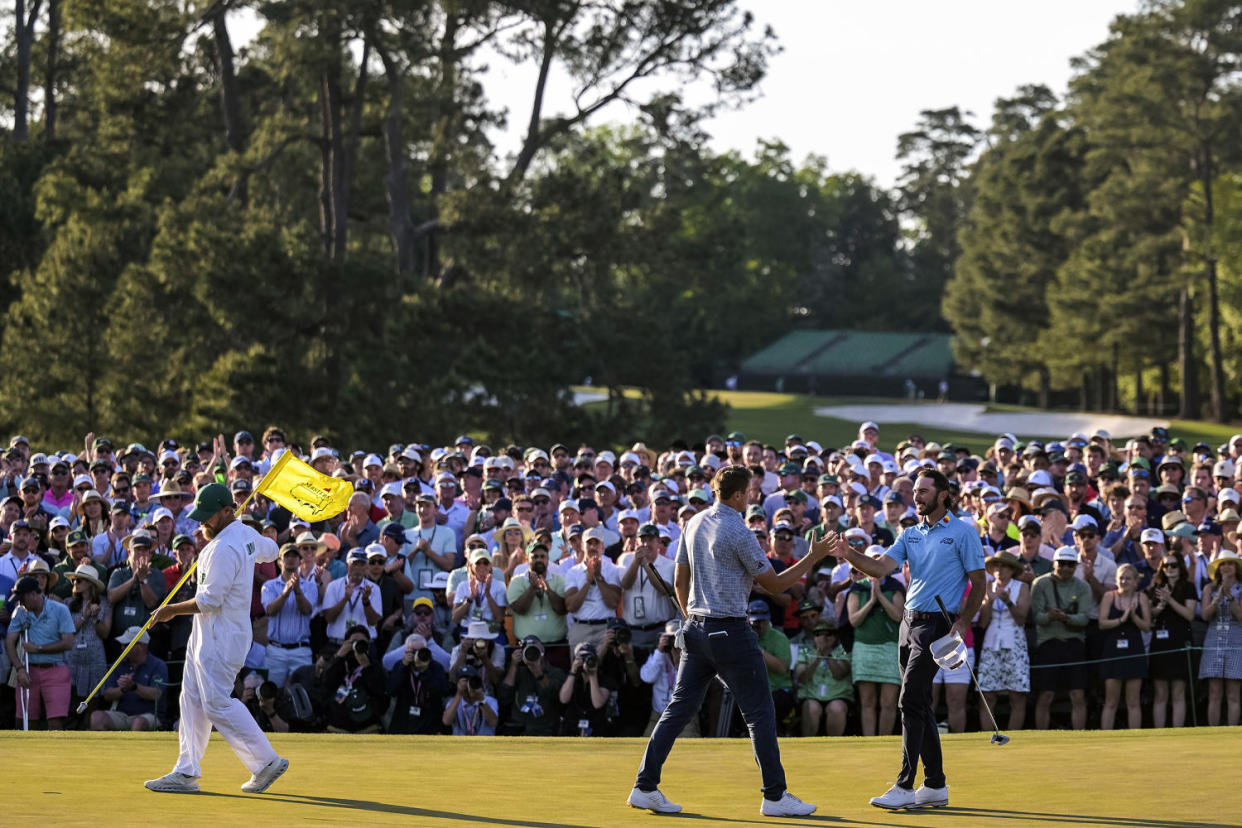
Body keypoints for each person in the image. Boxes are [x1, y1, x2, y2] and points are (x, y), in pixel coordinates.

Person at [629, 465, 840, 817]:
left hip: (695, 630)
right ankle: (774, 795)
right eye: (750, 492)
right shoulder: (739, 531)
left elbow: (681, 580)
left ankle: (645, 786)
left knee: (678, 710)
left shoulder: (692, 523)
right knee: (760, 713)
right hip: (731, 632)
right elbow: (775, 585)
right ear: (739, 495)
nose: (754, 496)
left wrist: (691, 618)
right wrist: (814, 556)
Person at [834, 468, 985, 812]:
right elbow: (880, 568)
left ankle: (905, 785)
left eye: (924, 491)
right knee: (919, 703)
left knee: (909, 701)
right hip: (909, 624)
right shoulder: (910, 533)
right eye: (915, 491)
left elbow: (980, 582)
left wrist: (962, 623)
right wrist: (848, 553)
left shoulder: (963, 533)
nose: (917, 496)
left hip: (936, 627)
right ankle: (934, 784)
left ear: (943, 494)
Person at [144, 482, 288, 795]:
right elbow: (272, 550)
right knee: (191, 698)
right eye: (201, 516)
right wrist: (267, 537)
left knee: (216, 702)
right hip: (211, 632)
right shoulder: (245, 534)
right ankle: (185, 771)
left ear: (227, 511)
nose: (203, 522)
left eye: (209, 516)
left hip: (221, 634)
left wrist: (169, 609)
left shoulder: (223, 547)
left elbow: (210, 600)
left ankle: (266, 762)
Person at [1030, 547, 1094, 730]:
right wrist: (1051, 616)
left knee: (1077, 694)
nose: (1066, 568)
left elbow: (1084, 619)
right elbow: (1037, 617)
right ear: (1054, 563)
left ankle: (1079, 737)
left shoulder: (1082, 587)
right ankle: (1041, 738)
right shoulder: (1040, 584)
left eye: (1071, 564)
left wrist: (1065, 618)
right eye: (1062, 564)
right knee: (1046, 695)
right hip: (1047, 643)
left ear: (1076, 566)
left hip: (1074, 643)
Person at [846, 547, 904, 737]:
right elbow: (854, 620)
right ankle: (869, 741)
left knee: (888, 702)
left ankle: (884, 740)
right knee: (867, 701)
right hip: (864, 648)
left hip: (889, 647)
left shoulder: (895, 587)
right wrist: (872, 600)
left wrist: (879, 596)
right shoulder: (857, 587)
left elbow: (898, 616)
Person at [4, 575, 75, 729]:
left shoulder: (60, 610)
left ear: (32, 594)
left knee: (55, 722)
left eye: (22, 598)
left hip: (56, 668)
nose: (20, 603)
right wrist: (19, 668)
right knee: (27, 722)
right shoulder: (20, 611)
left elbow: (68, 643)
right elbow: (9, 641)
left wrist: (39, 649)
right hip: (29, 670)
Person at [976, 550, 1030, 732]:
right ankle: (989, 738)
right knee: (987, 694)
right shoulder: (987, 585)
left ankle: (1014, 739)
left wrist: (1008, 602)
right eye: (997, 565)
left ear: (1012, 569)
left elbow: (1021, 619)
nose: (1000, 569)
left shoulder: (1021, 587)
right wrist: (988, 602)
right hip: (991, 642)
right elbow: (983, 623)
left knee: (1017, 695)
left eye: (1004, 566)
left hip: (1014, 642)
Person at [1146, 550, 1197, 728]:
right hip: (1160, 641)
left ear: (1180, 567)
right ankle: (1160, 732)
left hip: (1181, 640)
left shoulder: (1188, 587)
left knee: (1178, 691)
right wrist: (1160, 606)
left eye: (1174, 565)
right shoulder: (1157, 587)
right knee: (1160, 692)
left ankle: (1178, 732)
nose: (1170, 569)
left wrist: (1170, 600)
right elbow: (1149, 615)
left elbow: (1189, 614)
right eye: (1166, 565)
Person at [1097, 563, 1150, 730]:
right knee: (1111, 701)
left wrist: (1133, 616)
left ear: (1135, 582)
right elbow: (1102, 623)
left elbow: (1147, 626)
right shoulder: (1109, 596)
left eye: (1128, 578)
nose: (1124, 581)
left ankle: (1135, 737)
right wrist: (1121, 619)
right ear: (1116, 580)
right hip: (1113, 650)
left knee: (1133, 701)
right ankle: (1107, 738)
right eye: (1121, 578)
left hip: (1134, 650)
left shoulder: (1141, 598)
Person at [90, 625, 167, 731]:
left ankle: (132, 748)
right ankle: (106, 748)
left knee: (138, 723)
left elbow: (156, 694)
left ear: (141, 646)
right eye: (122, 645)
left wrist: (134, 686)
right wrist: (123, 689)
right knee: (97, 717)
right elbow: (107, 694)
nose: (122, 648)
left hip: (148, 715)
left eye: (126, 645)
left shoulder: (158, 665)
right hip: (121, 714)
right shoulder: (118, 665)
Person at [1198, 550, 1242, 726]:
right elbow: (1205, 615)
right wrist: (1217, 598)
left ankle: (1232, 732)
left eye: (1230, 564)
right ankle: (1213, 732)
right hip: (1214, 638)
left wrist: (1230, 598)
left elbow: (1240, 617)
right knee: (1214, 692)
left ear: (1236, 567)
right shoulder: (1209, 588)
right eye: (1223, 564)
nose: (1226, 567)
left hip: (1236, 638)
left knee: (1233, 692)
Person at [793, 619, 852, 737]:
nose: (823, 637)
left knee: (836, 708)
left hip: (838, 695)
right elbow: (802, 678)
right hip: (811, 696)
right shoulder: (805, 651)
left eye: (828, 633)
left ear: (835, 637)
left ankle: (832, 748)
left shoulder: (843, 651)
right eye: (818, 634)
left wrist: (827, 656)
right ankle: (808, 747)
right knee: (811, 708)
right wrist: (817, 659)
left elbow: (840, 674)